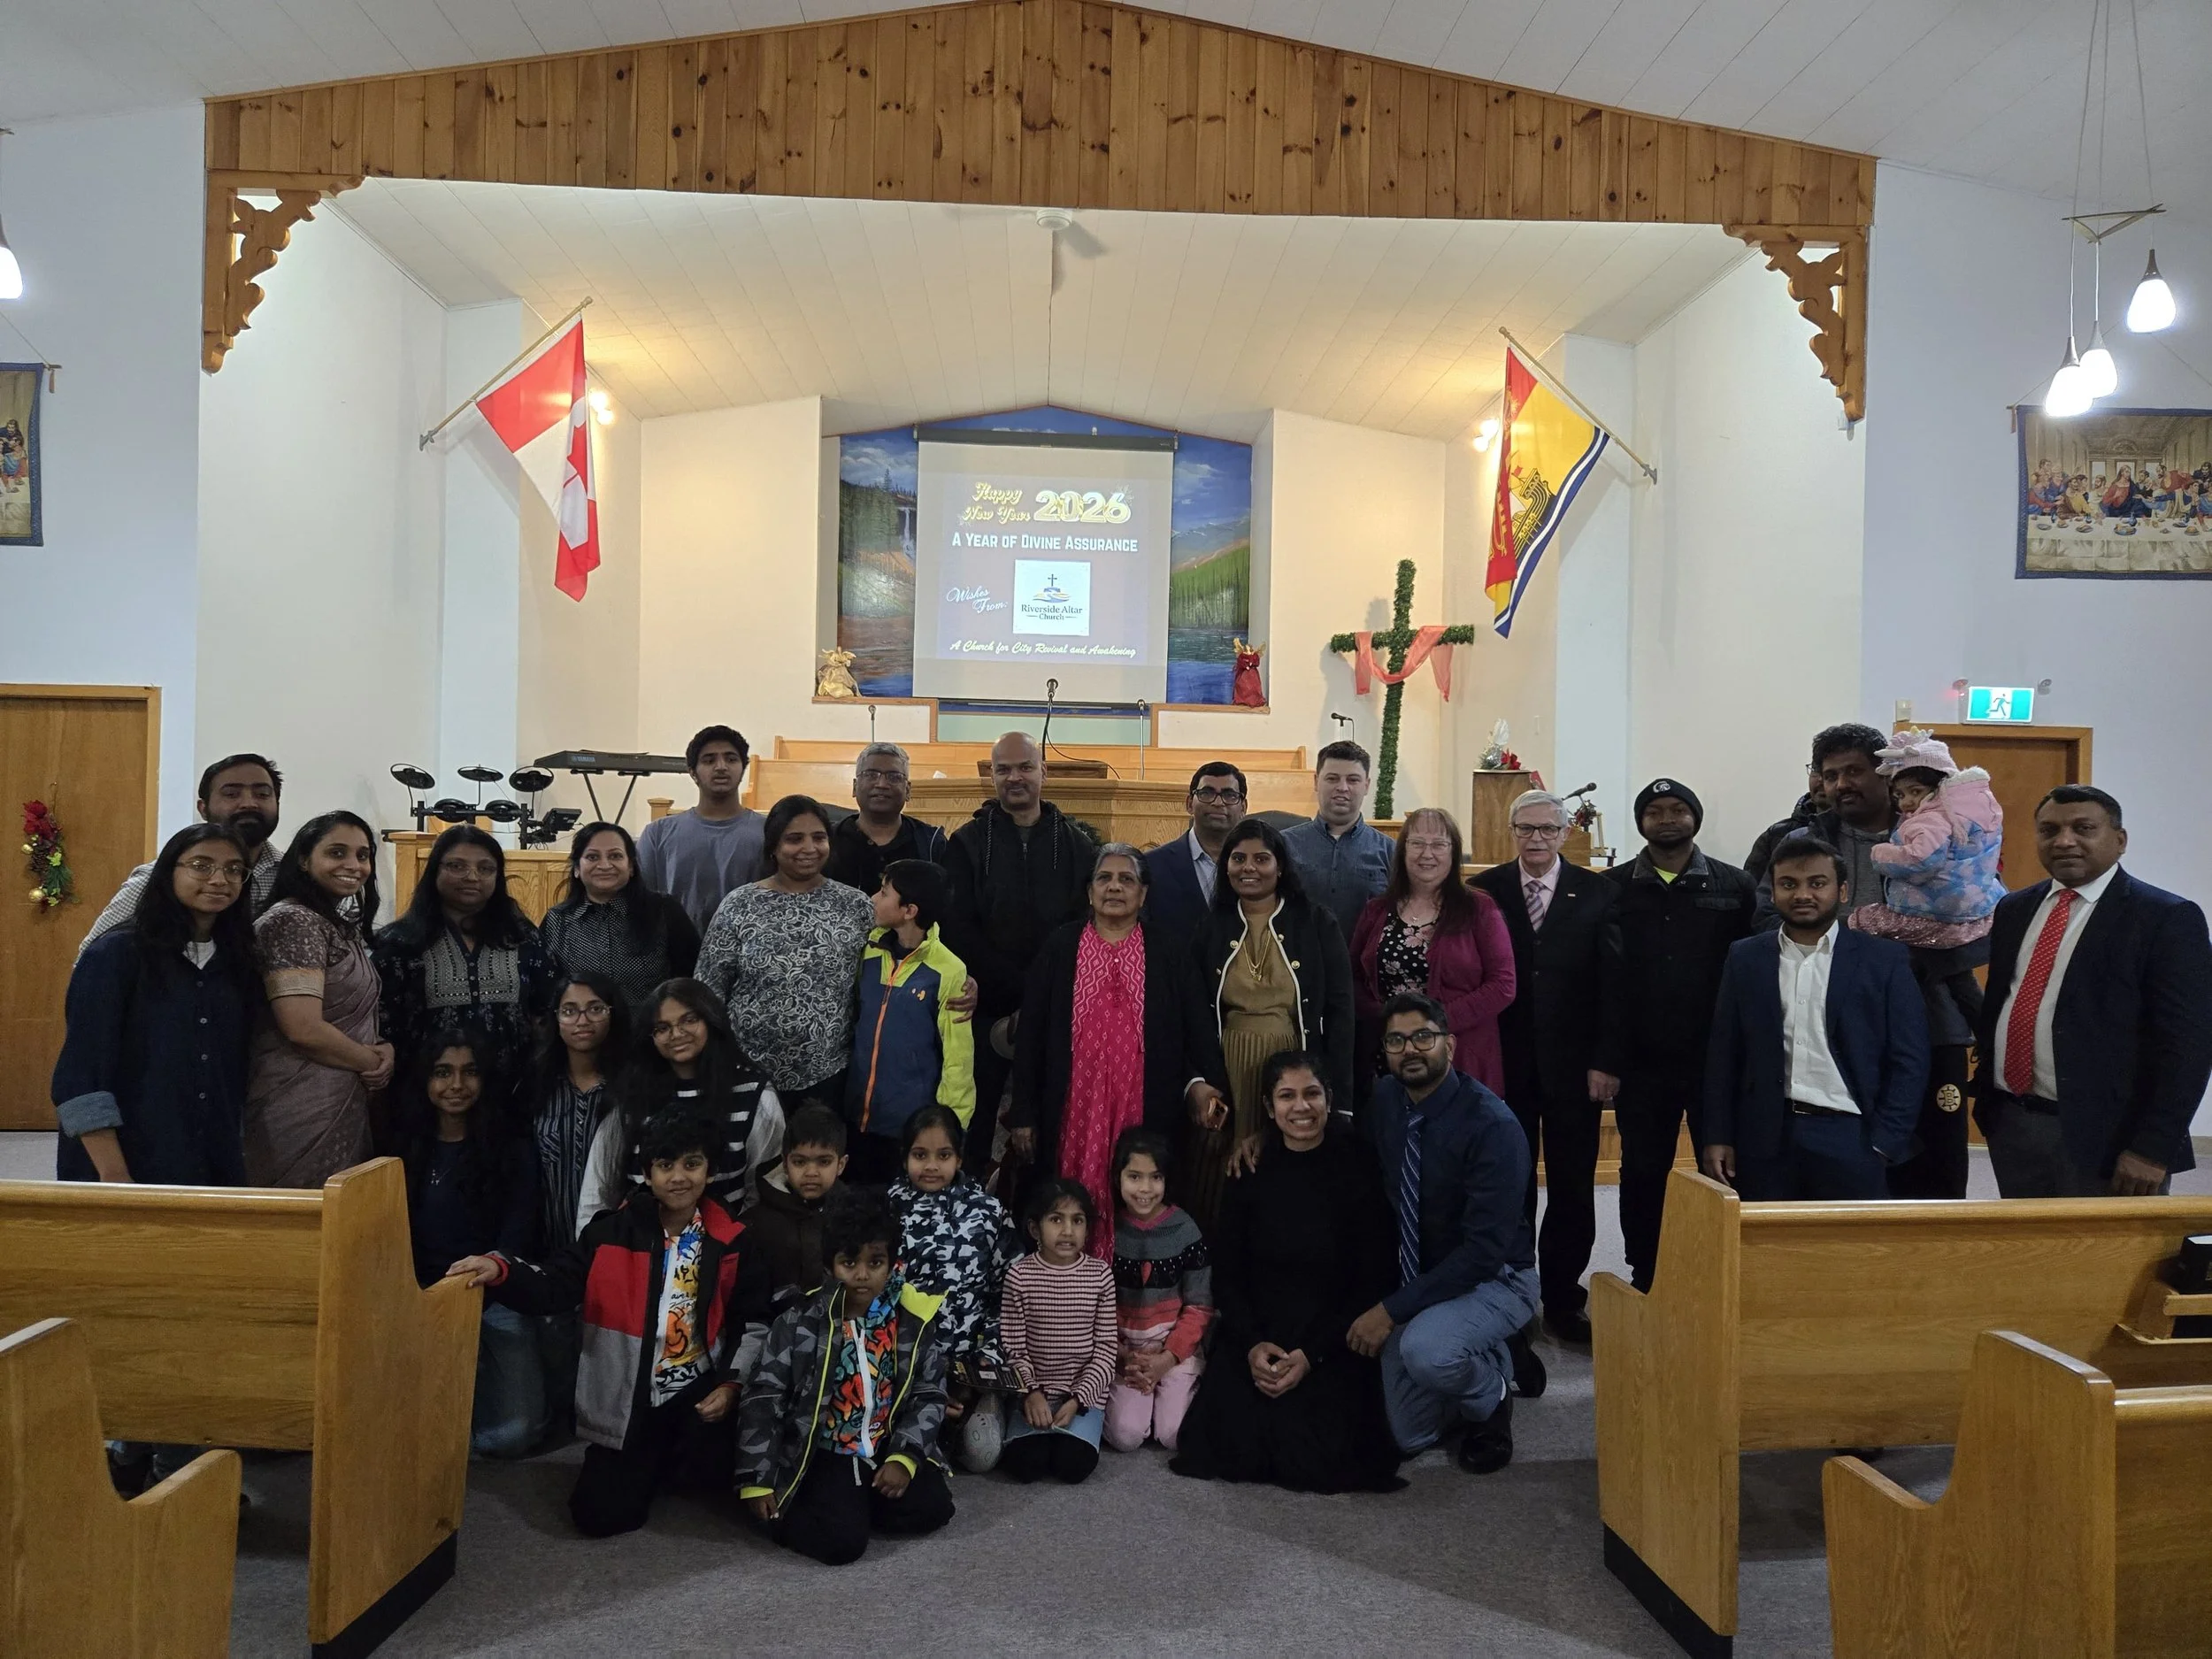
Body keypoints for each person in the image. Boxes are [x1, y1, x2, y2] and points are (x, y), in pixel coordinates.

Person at [445, 1102, 770, 1538]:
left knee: (720, 1479)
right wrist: (502, 1269)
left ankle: (674, 1459)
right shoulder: (609, 1233)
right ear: (646, 1174)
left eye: (692, 1164)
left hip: (697, 1393)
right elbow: (555, 1284)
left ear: (710, 1171)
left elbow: (753, 1319)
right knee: (599, 1517)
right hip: (629, 1398)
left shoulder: (732, 1241)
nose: (679, 1176)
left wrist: (731, 1385)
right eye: (665, 1165)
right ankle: (648, 1460)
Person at [1170, 1052, 1402, 1494]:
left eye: (1312, 1093)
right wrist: (1253, 1343)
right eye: (1287, 1096)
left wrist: (1311, 1355)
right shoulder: (1248, 1167)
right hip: (1261, 1330)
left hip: (1333, 1334)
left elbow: (1372, 1276)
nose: (1301, 1107)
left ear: (1329, 1099)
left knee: (1319, 1457)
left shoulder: (1359, 1165)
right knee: (1231, 1448)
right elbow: (1230, 1274)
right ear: (1268, 1105)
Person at [1973, 787, 2212, 1198]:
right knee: (2026, 1253)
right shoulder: (2014, 909)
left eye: (2083, 828)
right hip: (2014, 1123)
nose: (2064, 841)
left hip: (2110, 1138)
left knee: (2106, 1258)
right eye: (2049, 830)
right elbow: (2005, 1002)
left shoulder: (2166, 917)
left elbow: (2189, 1045)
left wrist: (2153, 1149)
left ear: (2119, 841)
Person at [1354, 995, 1541, 1475]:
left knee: (1427, 1352)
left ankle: (1492, 1390)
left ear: (1450, 1046)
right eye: (1396, 1040)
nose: (1410, 1050)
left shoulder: (1492, 1126)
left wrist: (1390, 1310)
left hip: (1497, 1277)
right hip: (1425, 1276)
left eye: (1423, 1037)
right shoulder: (1385, 1101)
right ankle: (1492, 1344)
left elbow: (1483, 1254)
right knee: (1409, 1434)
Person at [1009, 843, 1229, 1247]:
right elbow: (1032, 1035)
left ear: (1143, 894)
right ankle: (1073, 1284)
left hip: (1145, 1104)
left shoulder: (1168, 952)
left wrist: (1205, 1082)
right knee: (1066, 1195)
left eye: (1127, 879)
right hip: (1074, 1106)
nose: (1114, 887)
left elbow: (1198, 1027)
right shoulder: (1061, 947)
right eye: (1104, 878)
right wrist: (1023, 1111)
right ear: (1090, 891)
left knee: (1142, 1191)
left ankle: (1136, 1291)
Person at [1470, 790, 1624, 1346]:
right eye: (1525, 829)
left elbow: (1614, 986)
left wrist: (1607, 1061)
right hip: (1503, 1066)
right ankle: (1510, 1298)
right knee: (1508, 1186)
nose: (1536, 839)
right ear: (1511, 832)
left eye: (1547, 829)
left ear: (1564, 833)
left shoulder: (1600, 892)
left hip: (1576, 1070)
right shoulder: (1484, 891)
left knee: (1571, 1187)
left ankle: (1563, 1298)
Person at [737, 1188, 956, 1565]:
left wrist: (904, 1457)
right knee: (843, 1546)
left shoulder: (912, 1319)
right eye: (849, 1262)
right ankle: (797, 1511)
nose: (862, 1275)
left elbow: (929, 1392)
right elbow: (763, 1395)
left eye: (875, 1262)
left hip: (882, 1441)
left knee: (935, 1507)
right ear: (829, 1265)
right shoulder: (799, 1321)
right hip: (823, 1450)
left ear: (892, 1264)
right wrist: (756, 1478)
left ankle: (858, 1500)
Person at [1702, 840, 1929, 1201]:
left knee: (1850, 1252)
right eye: (1789, 884)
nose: (1802, 894)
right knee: (1768, 1250)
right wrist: (1718, 1134)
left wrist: (1886, 1140)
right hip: (1765, 1135)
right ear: (1773, 892)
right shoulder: (1746, 957)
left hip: (1851, 1135)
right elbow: (1724, 1052)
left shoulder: (1883, 960)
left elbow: (1910, 1058)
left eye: (1817, 883)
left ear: (1841, 891)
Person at [1603, 779, 1754, 1302]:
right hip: (1642, 1062)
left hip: (1714, 1057)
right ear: (1641, 821)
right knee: (1643, 1169)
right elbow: (1602, 978)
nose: (1667, 819)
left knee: (1726, 1163)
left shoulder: (1734, 887)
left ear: (1696, 817)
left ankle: (1725, 1267)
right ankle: (1645, 1268)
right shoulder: (1614, 887)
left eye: (1677, 809)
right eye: (1655, 811)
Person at [55, 823, 262, 1186]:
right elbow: (80, 1075)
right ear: (168, 872)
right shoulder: (116, 954)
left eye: (233, 869)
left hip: (210, 1159)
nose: (219, 879)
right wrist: (114, 1175)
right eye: (201, 865)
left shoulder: (238, 962)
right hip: (121, 1165)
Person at [1186, 817, 1355, 1230]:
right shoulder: (1210, 927)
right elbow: (1191, 1014)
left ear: (1280, 867)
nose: (1249, 867)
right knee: (1224, 1180)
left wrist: (1341, 1100)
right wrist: (1198, 1080)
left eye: (1262, 858)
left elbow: (1340, 1012)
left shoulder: (1316, 922)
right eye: (1238, 858)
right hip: (1227, 1065)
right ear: (1225, 866)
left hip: (1293, 1065)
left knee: (1288, 1174)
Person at [941, 732, 1097, 1178]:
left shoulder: (1075, 845)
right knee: (977, 1119)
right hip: (984, 1006)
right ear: (991, 775)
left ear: (1044, 772)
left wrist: (1040, 992)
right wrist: (1013, 988)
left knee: (1050, 1122)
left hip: (1055, 1007)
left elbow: (1082, 926)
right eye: (1003, 768)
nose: (1015, 777)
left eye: (1025, 767)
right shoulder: (967, 843)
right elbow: (958, 928)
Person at [397, 1029, 543, 1457]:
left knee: (512, 1438)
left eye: (469, 1072)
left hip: (495, 1296)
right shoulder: (404, 1147)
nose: (456, 1085)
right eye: (443, 1073)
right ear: (425, 1081)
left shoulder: (511, 1148)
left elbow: (517, 1233)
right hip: (423, 1299)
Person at [695, 793, 874, 1110]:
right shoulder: (740, 905)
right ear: (774, 847)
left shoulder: (855, 905)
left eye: (818, 837)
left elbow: (892, 969)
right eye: (794, 839)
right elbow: (708, 990)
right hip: (746, 1074)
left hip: (829, 1073)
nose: (809, 848)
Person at [245, 812, 392, 1188]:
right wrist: (370, 1062)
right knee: (301, 1221)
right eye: (337, 853)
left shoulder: (331, 922)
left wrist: (383, 1048)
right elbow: (302, 1027)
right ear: (303, 859)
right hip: (297, 1102)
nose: (353, 865)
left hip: (338, 1093)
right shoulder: (294, 921)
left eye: (363, 855)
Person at [577, 979, 784, 1230]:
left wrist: (737, 1247)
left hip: (725, 1249)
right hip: (641, 1248)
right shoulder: (631, 1096)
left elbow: (763, 1190)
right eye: (662, 1028)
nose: (676, 1034)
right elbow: (598, 1190)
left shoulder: (754, 1094)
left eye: (689, 1020)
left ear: (711, 1019)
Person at [1349, 807, 1516, 1103]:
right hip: (1391, 1056)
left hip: (1461, 1055)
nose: (1428, 854)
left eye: (1439, 844)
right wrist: (1390, 1024)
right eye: (1417, 843)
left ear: (1454, 853)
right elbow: (1352, 978)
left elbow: (1502, 985)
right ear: (1403, 851)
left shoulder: (1479, 908)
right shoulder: (1376, 910)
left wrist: (1431, 1027)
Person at [886, 1106, 1014, 1472]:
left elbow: (1009, 1291)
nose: (931, 1166)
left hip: (970, 1364)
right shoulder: (887, 1210)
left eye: (943, 1156)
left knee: (981, 1456)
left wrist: (986, 1359)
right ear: (905, 1156)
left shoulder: (988, 1212)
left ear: (959, 1157)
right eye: (920, 1155)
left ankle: (978, 1403)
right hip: (905, 1366)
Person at [373, 825, 557, 1080]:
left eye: (485, 868)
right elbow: (382, 1026)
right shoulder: (399, 943)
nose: (472, 876)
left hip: (513, 1092)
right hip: (424, 1094)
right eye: (456, 866)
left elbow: (547, 1007)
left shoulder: (521, 937)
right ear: (434, 871)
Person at [846, 859, 974, 1187]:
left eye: (884, 893)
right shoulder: (869, 952)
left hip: (909, 1125)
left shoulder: (948, 969)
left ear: (909, 910)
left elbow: (958, 1058)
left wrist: (951, 1125)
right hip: (857, 1114)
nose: (873, 898)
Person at [79, 754, 285, 956]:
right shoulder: (159, 877)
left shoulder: (293, 872)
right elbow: (93, 956)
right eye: (231, 794)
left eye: (262, 794)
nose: (249, 803)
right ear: (203, 809)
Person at [998, 1177, 1118, 1486]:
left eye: (1077, 1221)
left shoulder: (1100, 1275)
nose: (1067, 1231)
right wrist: (1032, 1393)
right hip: (1032, 1395)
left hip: (1080, 1398)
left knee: (1073, 1466)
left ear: (1087, 1229)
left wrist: (1078, 1399)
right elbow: (1013, 1347)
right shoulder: (1020, 1275)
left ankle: (1076, 1427)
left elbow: (1106, 1351)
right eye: (1056, 1219)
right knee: (1024, 1466)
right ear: (1035, 1229)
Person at [1103, 1128, 1212, 1455]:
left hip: (1174, 1349)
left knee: (1173, 1434)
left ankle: (1169, 1392)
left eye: (1155, 1177)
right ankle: (1143, 1398)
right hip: (1125, 1351)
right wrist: (1124, 1357)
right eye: (1134, 1176)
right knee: (1126, 1436)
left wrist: (1166, 1359)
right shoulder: (1108, 1231)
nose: (1145, 1189)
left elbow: (1199, 1307)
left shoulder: (1185, 1229)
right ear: (1118, 1176)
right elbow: (1097, 1305)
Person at [1847, 732, 2005, 949]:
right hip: (1979, 910)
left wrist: (1879, 853)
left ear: (1940, 786)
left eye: (1915, 791)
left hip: (1932, 913)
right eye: (1899, 795)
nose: (1907, 802)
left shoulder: (1930, 818)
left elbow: (1921, 859)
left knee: (1862, 920)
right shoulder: (1972, 811)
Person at [539, 821, 702, 1012]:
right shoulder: (558, 920)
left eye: (615, 856)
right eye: (592, 857)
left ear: (631, 866)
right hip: (583, 1034)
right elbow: (546, 989)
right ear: (576, 868)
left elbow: (691, 978)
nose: (605, 865)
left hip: (651, 1035)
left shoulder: (664, 911)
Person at [1755, 723, 1895, 928]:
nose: (1842, 784)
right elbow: (1766, 916)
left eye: (1854, 771)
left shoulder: (1926, 840)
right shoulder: (1802, 842)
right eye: (1831, 777)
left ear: (1886, 774)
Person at [634, 725, 765, 935]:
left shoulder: (768, 832)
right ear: (693, 772)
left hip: (748, 954)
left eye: (731, 759)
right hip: (677, 957)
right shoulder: (657, 834)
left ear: (743, 768)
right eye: (709, 760)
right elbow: (641, 904)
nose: (721, 766)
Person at [1281, 740, 1396, 942]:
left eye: (1353, 780)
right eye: (1332, 779)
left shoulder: (1389, 851)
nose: (1342, 788)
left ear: (1367, 785)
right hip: (1298, 966)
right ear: (1316, 781)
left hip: (1363, 970)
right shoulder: (1283, 845)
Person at [742, 1102, 849, 1317]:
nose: (811, 1172)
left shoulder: (853, 1216)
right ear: (784, 1163)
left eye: (823, 1162)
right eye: (800, 1162)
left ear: (841, 1164)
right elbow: (749, 1306)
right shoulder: (756, 1224)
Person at [824, 742, 949, 895]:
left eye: (894, 777)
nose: (882, 784)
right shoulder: (826, 840)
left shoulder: (931, 843)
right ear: (855, 787)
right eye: (870, 774)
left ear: (908, 790)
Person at [1141, 762, 1248, 937]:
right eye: (1207, 793)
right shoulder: (1152, 866)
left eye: (1229, 795)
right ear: (1190, 803)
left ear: (1243, 807)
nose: (1218, 802)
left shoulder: (1259, 869)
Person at [1743, 764, 1827, 889]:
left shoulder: (1861, 834)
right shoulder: (1778, 835)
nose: (1820, 779)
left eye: (1830, 774)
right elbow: (1754, 895)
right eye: (1815, 770)